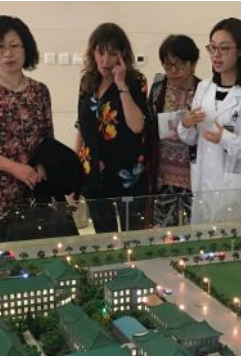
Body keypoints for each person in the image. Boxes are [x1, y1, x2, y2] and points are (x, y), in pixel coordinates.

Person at [0, 15, 77, 244]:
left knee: (40, 258)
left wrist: (42, 165)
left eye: (14, 46)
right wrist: (14, 168)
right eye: (0, 47)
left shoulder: (40, 91)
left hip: (35, 191)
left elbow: (47, 139)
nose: (8, 53)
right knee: (3, 261)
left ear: (26, 49)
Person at [178, 18, 241, 224]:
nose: (216, 54)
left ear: (240, 51)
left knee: (231, 238)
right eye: (212, 47)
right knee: (202, 238)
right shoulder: (204, 88)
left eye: (224, 48)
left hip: (234, 188)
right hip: (203, 183)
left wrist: (226, 139)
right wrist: (185, 125)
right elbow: (192, 138)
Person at [76, 23, 150, 233]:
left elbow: (137, 126)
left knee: (132, 236)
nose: (105, 60)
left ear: (122, 54)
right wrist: (74, 167)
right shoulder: (87, 82)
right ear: (93, 53)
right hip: (93, 173)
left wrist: (121, 84)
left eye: (112, 53)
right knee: (104, 236)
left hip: (126, 173)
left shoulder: (135, 81)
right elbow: (81, 126)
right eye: (100, 53)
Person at [147, 34, 200, 227]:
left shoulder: (203, 90)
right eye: (168, 65)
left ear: (193, 64)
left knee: (195, 230)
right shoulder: (158, 89)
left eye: (180, 65)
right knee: (164, 232)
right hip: (163, 176)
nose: (173, 71)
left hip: (193, 176)